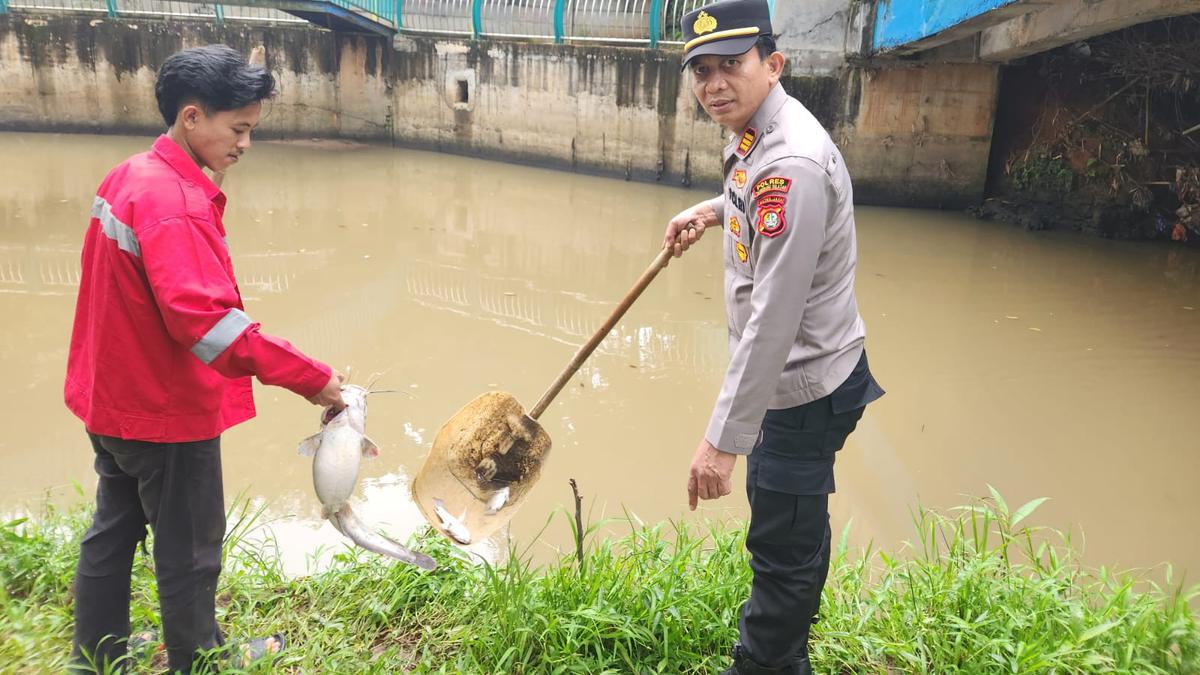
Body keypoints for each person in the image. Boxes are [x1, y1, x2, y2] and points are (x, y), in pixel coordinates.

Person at [64, 44, 345, 673]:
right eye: (238, 128)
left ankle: (96, 654)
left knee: (113, 528)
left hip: (109, 398)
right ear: (192, 117)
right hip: (163, 409)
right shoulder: (177, 205)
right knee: (191, 549)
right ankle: (200, 659)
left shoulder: (130, 175)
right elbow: (210, 325)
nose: (245, 144)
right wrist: (314, 379)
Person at [662, 2, 885, 673]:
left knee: (781, 551)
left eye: (731, 64)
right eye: (701, 70)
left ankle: (762, 662)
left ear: (773, 63)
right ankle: (785, 654)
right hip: (806, 374)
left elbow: (774, 322)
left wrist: (722, 441)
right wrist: (707, 210)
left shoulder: (791, 163)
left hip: (801, 388)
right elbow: (753, 202)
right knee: (795, 532)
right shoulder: (760, 130)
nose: (713, 83)